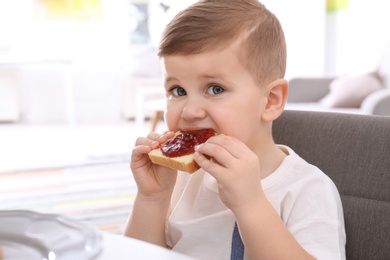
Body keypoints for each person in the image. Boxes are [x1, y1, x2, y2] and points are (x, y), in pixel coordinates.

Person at [124, 0, 346, 259]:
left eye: (215, 89)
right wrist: (152, 198)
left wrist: (250, 203)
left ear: (271, 100)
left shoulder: (306, 188)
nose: (189, 111)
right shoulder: (180, 180)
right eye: (178, 91)